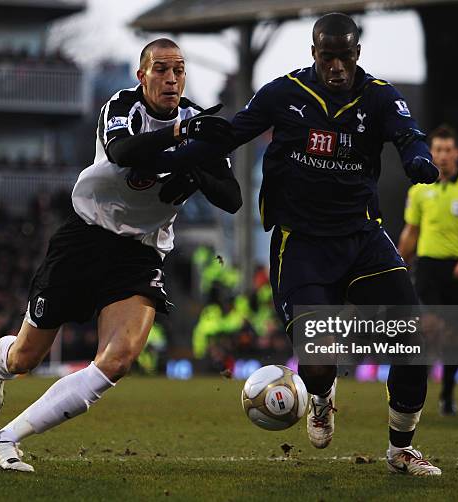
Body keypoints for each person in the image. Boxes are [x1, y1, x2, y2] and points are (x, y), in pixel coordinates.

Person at [154, 12, 442, 475]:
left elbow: (408, 135)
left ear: (357, 55)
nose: (336, 67)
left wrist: (418, 158)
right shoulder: (283, 93)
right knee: (319, 360)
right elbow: (230, 134)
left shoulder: (380, 96)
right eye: (327, 57)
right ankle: (322, 396)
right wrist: (170, 157)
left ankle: (401, 450)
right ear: (314, 54)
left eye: (344, 57)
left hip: (364, 237)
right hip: (302, 245)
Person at [0, 38, 241, 472]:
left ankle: (3, 440)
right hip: (85, 238)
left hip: (139, 253)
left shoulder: (197, 124)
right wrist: (181, 138)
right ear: (142, 76)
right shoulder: (123, 106)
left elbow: (231, 199)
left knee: (118, 360)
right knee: (25, 358)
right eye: (161, 70)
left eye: (178, 70)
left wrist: (198, 162)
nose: (171, 79)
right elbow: (123, 152)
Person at [398, 124, 458, 416]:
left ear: (457, 153)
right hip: (428, 266)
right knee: (428, 327)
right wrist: (399, 263)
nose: (442, 156)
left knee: (454, 335)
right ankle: (417, 392)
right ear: (430, 152)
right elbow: (410, 233)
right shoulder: (418, 191)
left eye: (447, 150)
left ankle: (448, 394)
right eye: (437, 149)